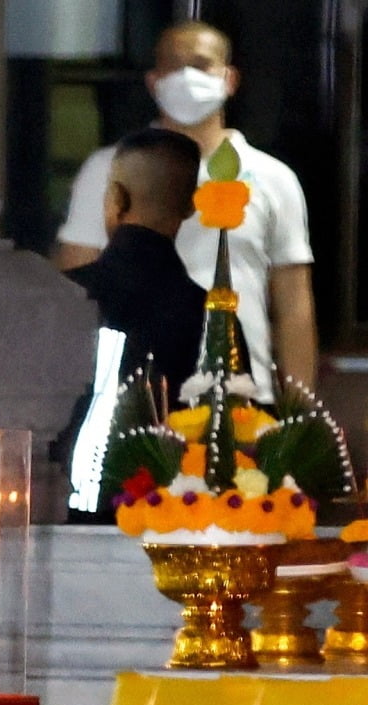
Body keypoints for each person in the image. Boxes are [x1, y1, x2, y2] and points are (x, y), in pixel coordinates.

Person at [54, 20, 316, 405]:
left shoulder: (273, 179)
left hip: (240, 400)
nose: (187, 77)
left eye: (201, 64)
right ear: (153, 81)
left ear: (229, 78)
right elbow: (73, 293)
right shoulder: (108, 169)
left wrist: (300, 412)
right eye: (173, 66)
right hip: (127, 398)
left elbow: (293, 307)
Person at [56, 128, 207, 521]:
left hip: (67, 511)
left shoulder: (67, 297)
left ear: (117, 199)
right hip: (178, 520)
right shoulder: (208, 312)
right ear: (190, 206)